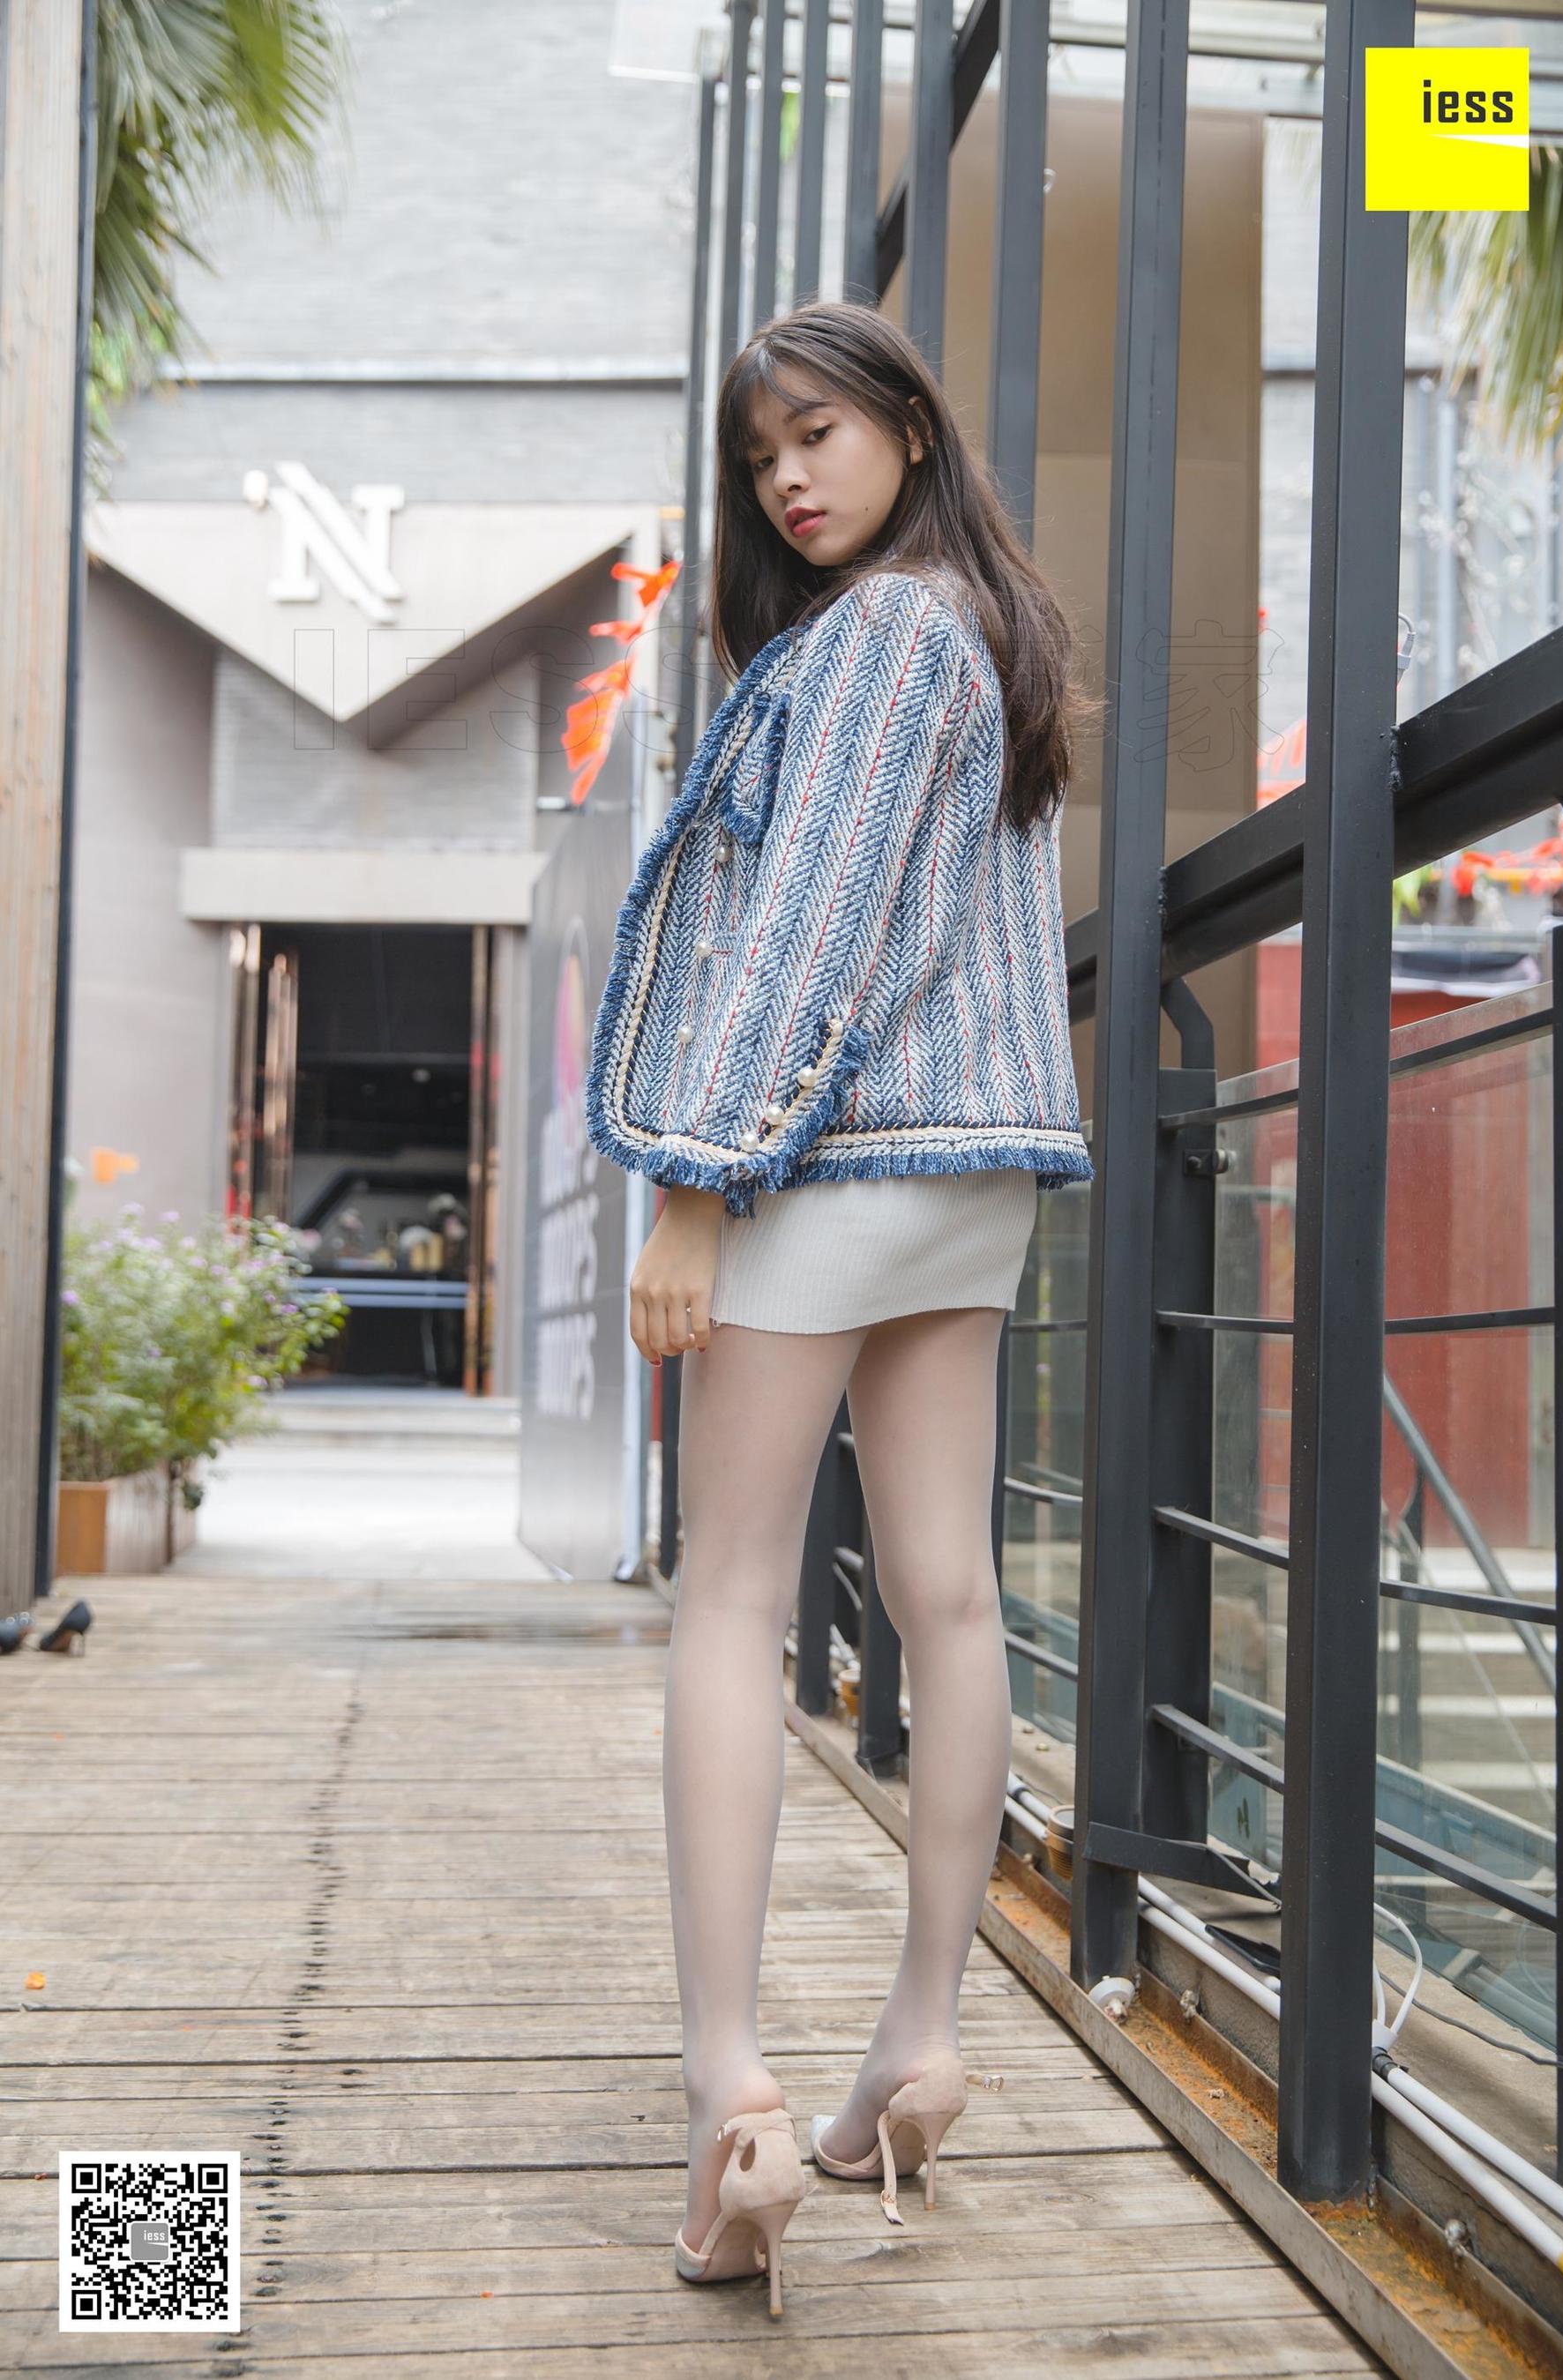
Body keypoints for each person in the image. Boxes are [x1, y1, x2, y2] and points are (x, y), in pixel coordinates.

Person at [583, 297, 1096, 2319]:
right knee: (949, 1599)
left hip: (827, 1162)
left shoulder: (882, 637)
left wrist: (693, 1186)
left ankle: (729, 2096)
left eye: (817, 433)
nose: (789, 478)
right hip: (969, 1179)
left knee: (729, 1600)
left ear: (909, 425)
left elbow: (803, 934)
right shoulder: (992, 632)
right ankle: (919, 2046)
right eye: (761, 457)